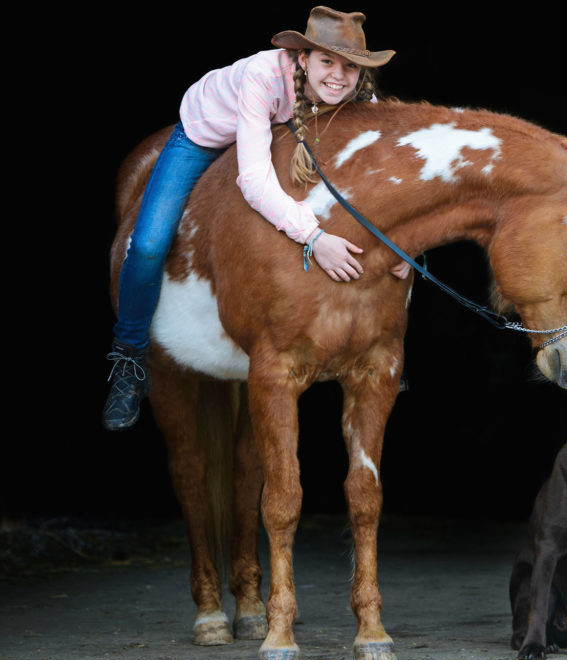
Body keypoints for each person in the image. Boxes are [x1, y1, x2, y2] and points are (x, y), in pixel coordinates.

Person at [104, 6, 407, 431]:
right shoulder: (262, 77)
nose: (338, 75)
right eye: (326, 62)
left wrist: (400, 245)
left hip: (282, 127)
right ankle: (128, 359)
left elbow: (381, 176)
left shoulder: (356, 96)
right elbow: (252, 180)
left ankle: (374, 342)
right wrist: (314, 237)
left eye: (350, 66)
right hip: (208, 133)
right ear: (303, 59)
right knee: (149, 242)